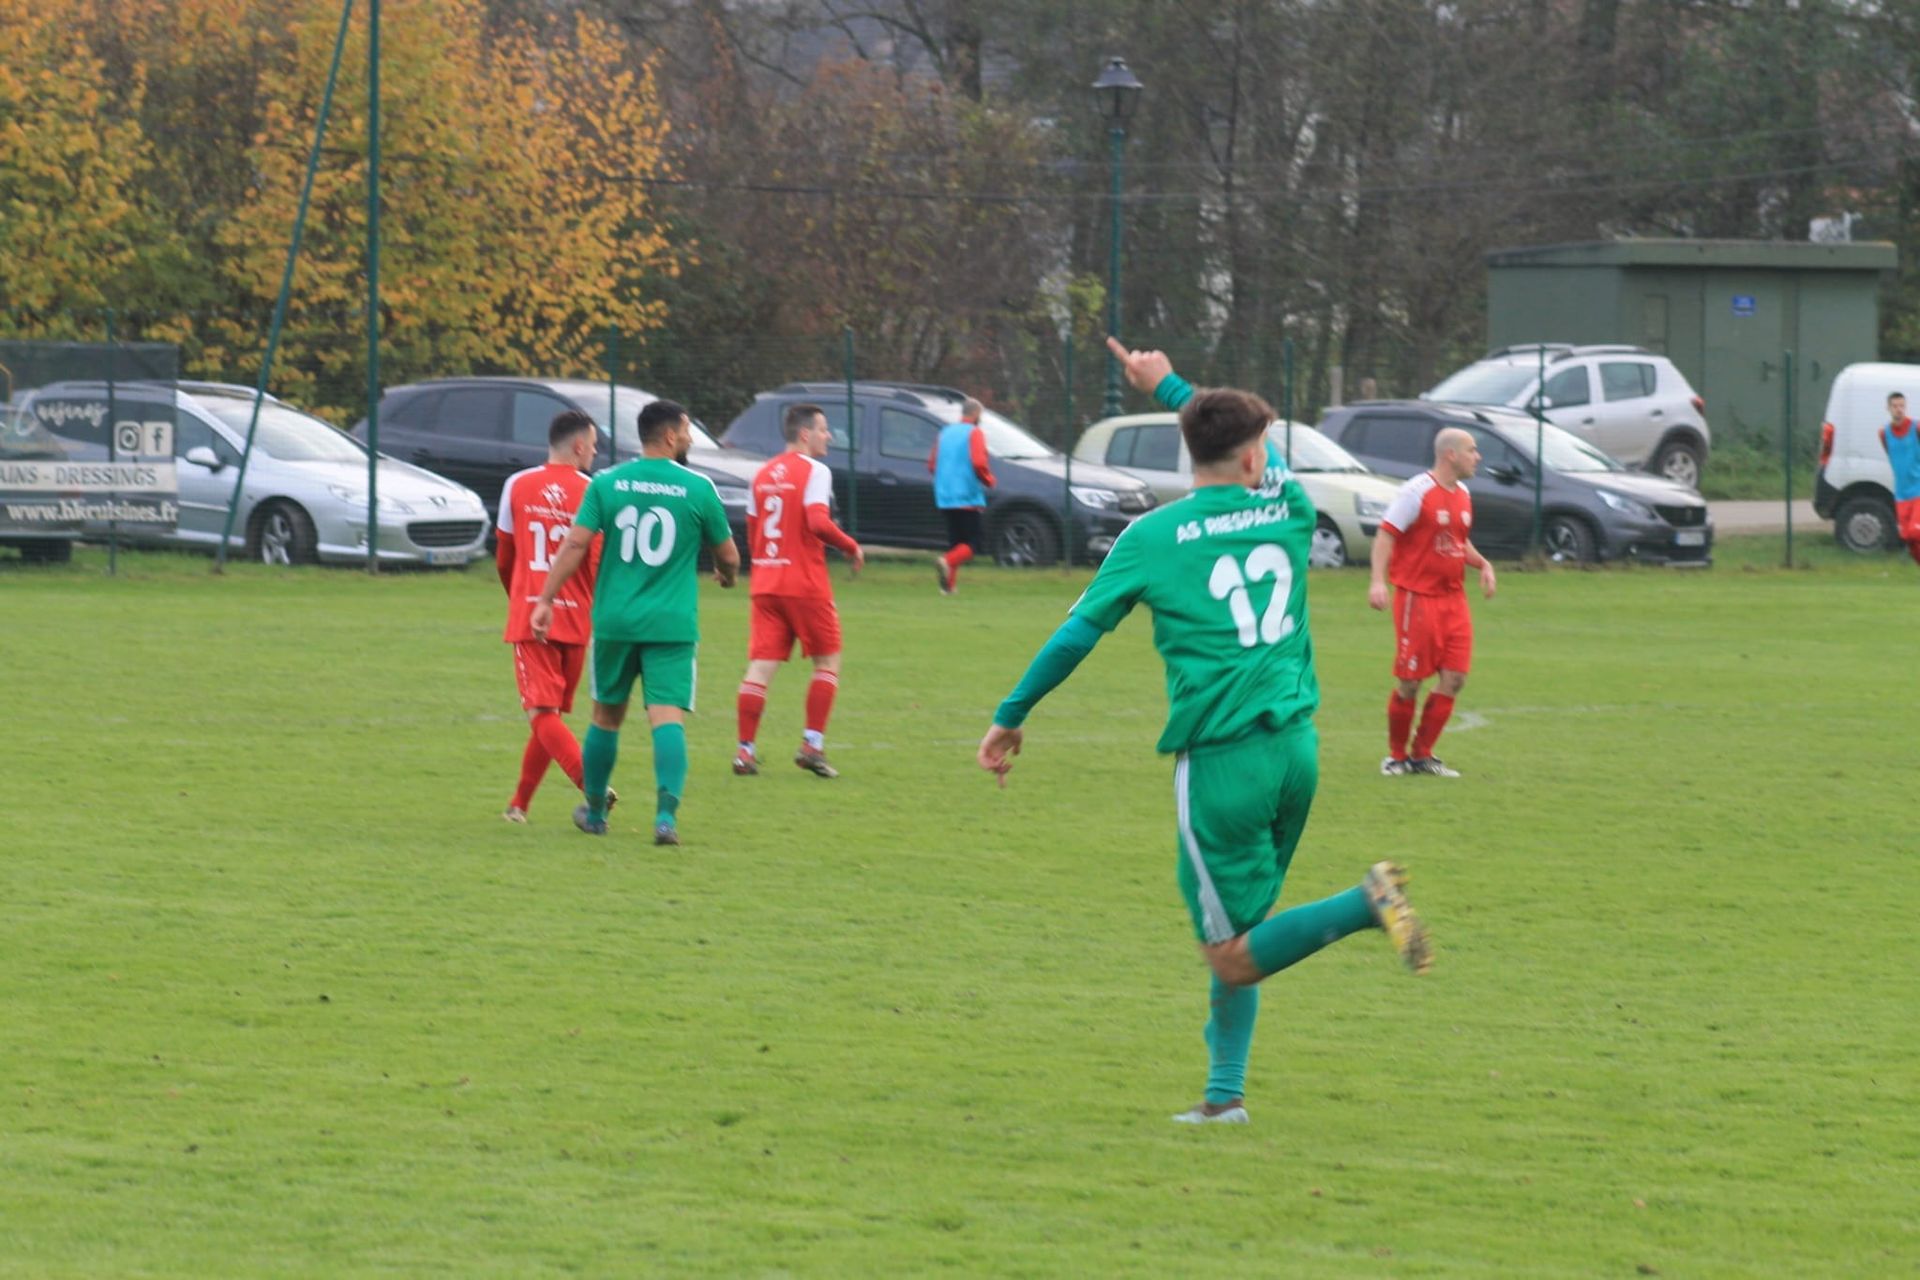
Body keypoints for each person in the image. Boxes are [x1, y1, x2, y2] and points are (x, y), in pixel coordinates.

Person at [976, 337, 1431, 1127]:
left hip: (1223, 763)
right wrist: (1169, 382)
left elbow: (1077, 634)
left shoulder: (1151, 538)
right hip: (1298, 751)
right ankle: (1225, 1098)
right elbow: (1249, 444)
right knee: (1244, 929)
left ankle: (1367, 903)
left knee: (1231, 950)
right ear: (1254, 456)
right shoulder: (1289, 505)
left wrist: (1011, 715)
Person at [532, 398, 740, 844]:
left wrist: (545, 597)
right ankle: (665, 820)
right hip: (672, 624)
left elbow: (575, 545)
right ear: (669, 436)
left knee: (606, 716)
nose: (688, 437)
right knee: (666, 718)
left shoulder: (606, 483)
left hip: (615, 621)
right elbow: (729, 555)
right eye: (686, 429)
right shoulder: (699, 488)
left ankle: (594, 814)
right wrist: (726, 574)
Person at [734, 403, 865, 778]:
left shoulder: (760, 475)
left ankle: (745, 751)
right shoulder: (815, 470)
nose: (829, 437)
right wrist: (849, 545)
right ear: (805, 434)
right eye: (824, 430)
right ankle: (812, 745)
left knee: (760, 668)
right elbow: (817, 522)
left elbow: (753, 531)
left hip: (766, 583)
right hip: (804, 582)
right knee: (827, 661)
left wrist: (764, 568)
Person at [494, 409, 606, 822]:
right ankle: (519, 805)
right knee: (549, 716)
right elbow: (595, 559)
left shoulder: (517, 485)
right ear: (578, 446)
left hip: (532, 613)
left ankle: (592, 788)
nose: (595, 452)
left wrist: (521, 597)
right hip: (577, 618)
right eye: (593, 445)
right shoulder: (594, 490)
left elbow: (505, 555)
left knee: (542, 715)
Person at [1368, 427, 1498, 778]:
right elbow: (1385, 534)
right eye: (1472, 450)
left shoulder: (1464, 493)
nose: (1478, 457)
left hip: (1453, 599)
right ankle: (1396, 757)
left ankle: (1422, 755)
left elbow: (1457, 541)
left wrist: (1482, 563)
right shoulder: (1416, 492)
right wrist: (1378, 581)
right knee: (1411, 682)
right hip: (1417, 598)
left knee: (1455, 678)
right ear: (1450, 455)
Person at [928, 396, 994, 594]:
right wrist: (988, 480)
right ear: (975, 414)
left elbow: (932, 465)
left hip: (944, 496)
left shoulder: (945, 433)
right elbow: (979, 463)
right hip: (967, 496)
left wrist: (945, 480)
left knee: (957, 543)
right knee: (974, 542)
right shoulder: (975, 433)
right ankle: (945, 561)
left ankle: (948, 587)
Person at [1878, 391, 1920, 568]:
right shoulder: (1884, 433)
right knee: (1908, 540)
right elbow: (1892, 455)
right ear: (1888, 408)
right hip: (1901, 495)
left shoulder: (1916, 428)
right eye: (1895, 406)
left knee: (1914, 533)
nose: (1899, 410)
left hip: (1918, 490)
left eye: (1902, 406)